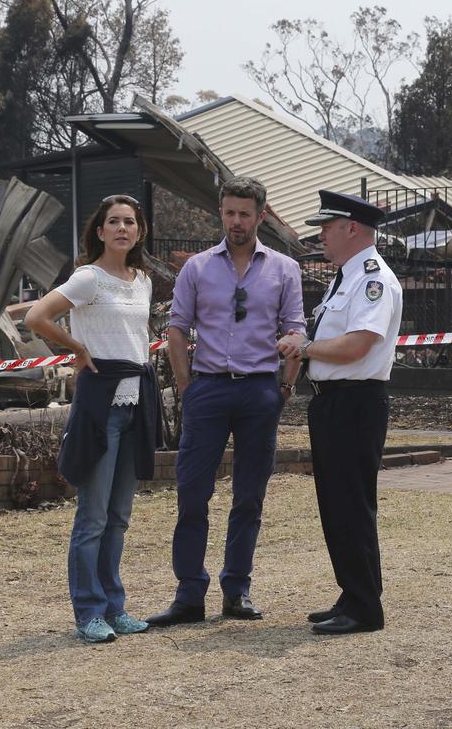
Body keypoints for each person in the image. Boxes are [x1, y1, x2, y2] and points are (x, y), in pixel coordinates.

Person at [147, 176, 305, 626]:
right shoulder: (197, 268)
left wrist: (285, 387)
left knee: (249, 496)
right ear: (221, 213)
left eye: (245, 214)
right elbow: (177, 327)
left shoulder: (283, 269)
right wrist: (185, 386)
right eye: (230, 213)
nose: (237, 222)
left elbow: (295, 327)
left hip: (260, 390)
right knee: (192, 494)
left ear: (261, 215)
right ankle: (188, 595)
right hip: (208, 390)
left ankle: (237, 590)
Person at [25, 194, 163, 644]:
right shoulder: (88, 278)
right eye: (114, 222)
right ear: (99, 231)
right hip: (100, 410)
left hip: (135, 406)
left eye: (130, 221)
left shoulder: (142, 280)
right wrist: (77, 348)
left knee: (120, 515)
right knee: (93, 518)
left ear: (139, 231)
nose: (123, 228)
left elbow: (137, 339)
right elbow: (35, 316)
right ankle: (89, 612)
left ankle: (115, 606)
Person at [277, 190, 402, 635]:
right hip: (333, 400)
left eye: (327, 228)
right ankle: (353, 593)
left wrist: (305, 348)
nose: (321, 236)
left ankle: (365, 607)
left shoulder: (372, 279)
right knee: (336, 504)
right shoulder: (344, 278)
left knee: (351, 504)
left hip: (356, 400)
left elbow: (358, 344)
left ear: (352, 228)